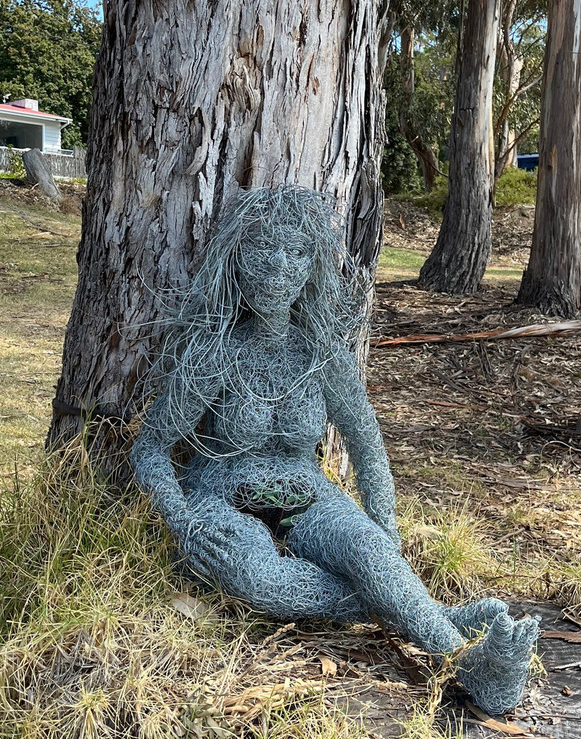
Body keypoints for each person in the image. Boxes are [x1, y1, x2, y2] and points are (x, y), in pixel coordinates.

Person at [132, 186, 538, 714]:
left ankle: (465, 662)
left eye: (297, 252)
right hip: (224, 496)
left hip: (302, 495)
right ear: (237, 254)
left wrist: (384, 529)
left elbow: (368, 449)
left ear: (313, 266)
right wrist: (184, 521)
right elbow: (152, 450)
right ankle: (428, 612)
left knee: (368, 552)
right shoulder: (216, 352)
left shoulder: (323, 356)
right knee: (262, 580)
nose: (278, 268)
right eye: (263, 248)